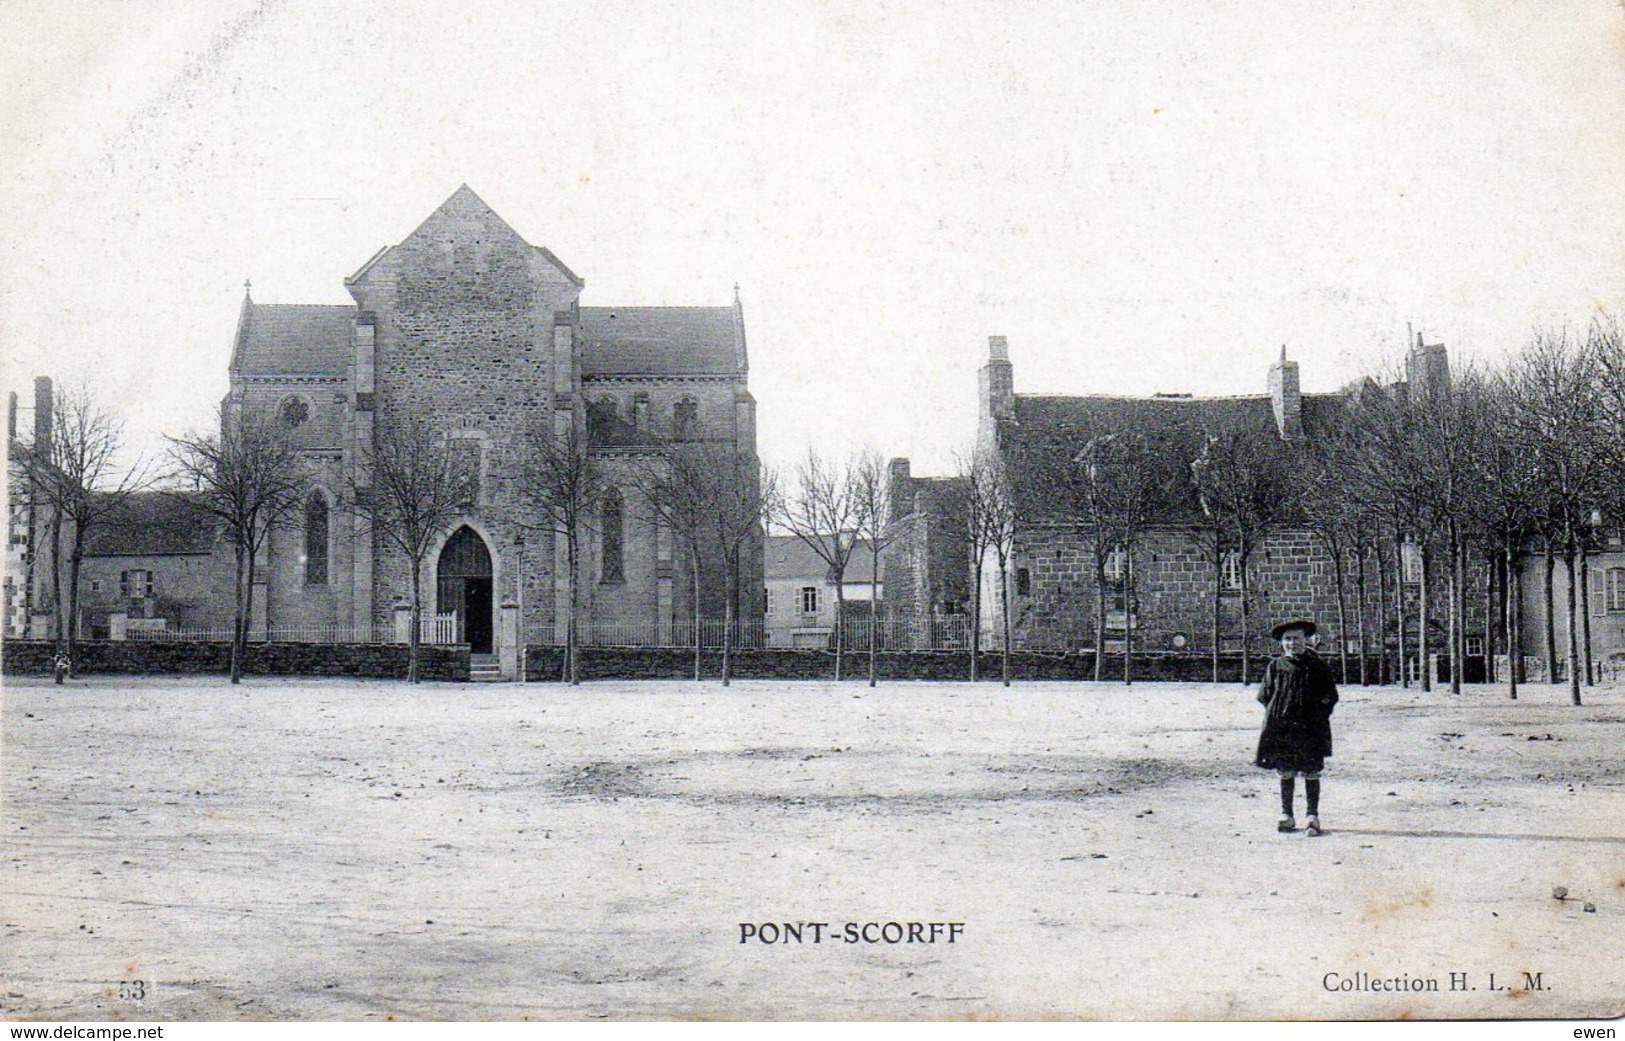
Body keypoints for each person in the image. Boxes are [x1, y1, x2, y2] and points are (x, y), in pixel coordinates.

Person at [1254, 619, 1339, 835]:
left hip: (1310, 727)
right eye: (1287, 639)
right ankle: (1287, 814)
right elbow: (1264, 695)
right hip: (1283, 728)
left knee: (1311, 770)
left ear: (1306, 640)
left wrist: (1317, 714)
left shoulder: (1317, 666)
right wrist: (1279, 712)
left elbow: (1330, 695)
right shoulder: (1276, 666)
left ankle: (1312, 816)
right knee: (1285, 770)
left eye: (1297, 639)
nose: (1292, 643)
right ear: (1282, 643)